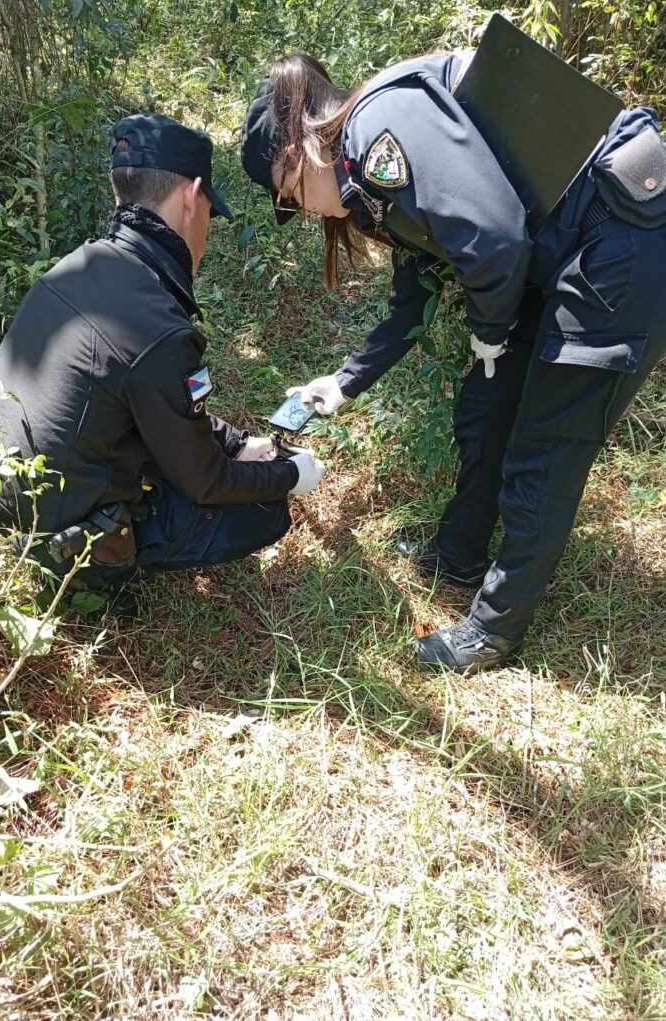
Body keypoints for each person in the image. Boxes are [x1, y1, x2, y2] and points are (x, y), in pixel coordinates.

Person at [240, 47, 666, 670]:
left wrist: (491, 330)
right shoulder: (368, 178)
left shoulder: (378, 124)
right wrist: (345, 381)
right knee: (487, 408)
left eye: (289, 195)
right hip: (559, 252)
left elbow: (492, 241)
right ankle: (459, 555)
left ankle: (493, 631)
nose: (303, 212)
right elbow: (414, 298)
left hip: (622, 237)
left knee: (546, 447)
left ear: (295, 151)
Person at [0, 113, 326, 591]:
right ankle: (103, 579)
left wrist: (240, 444)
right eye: (210, 217)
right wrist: (288, 476)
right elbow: (206, 481)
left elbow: (158, 410)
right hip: (65, 540)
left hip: (3, 497)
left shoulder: (77, 266)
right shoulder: (158, 328)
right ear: (191, 197)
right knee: (263, 512)